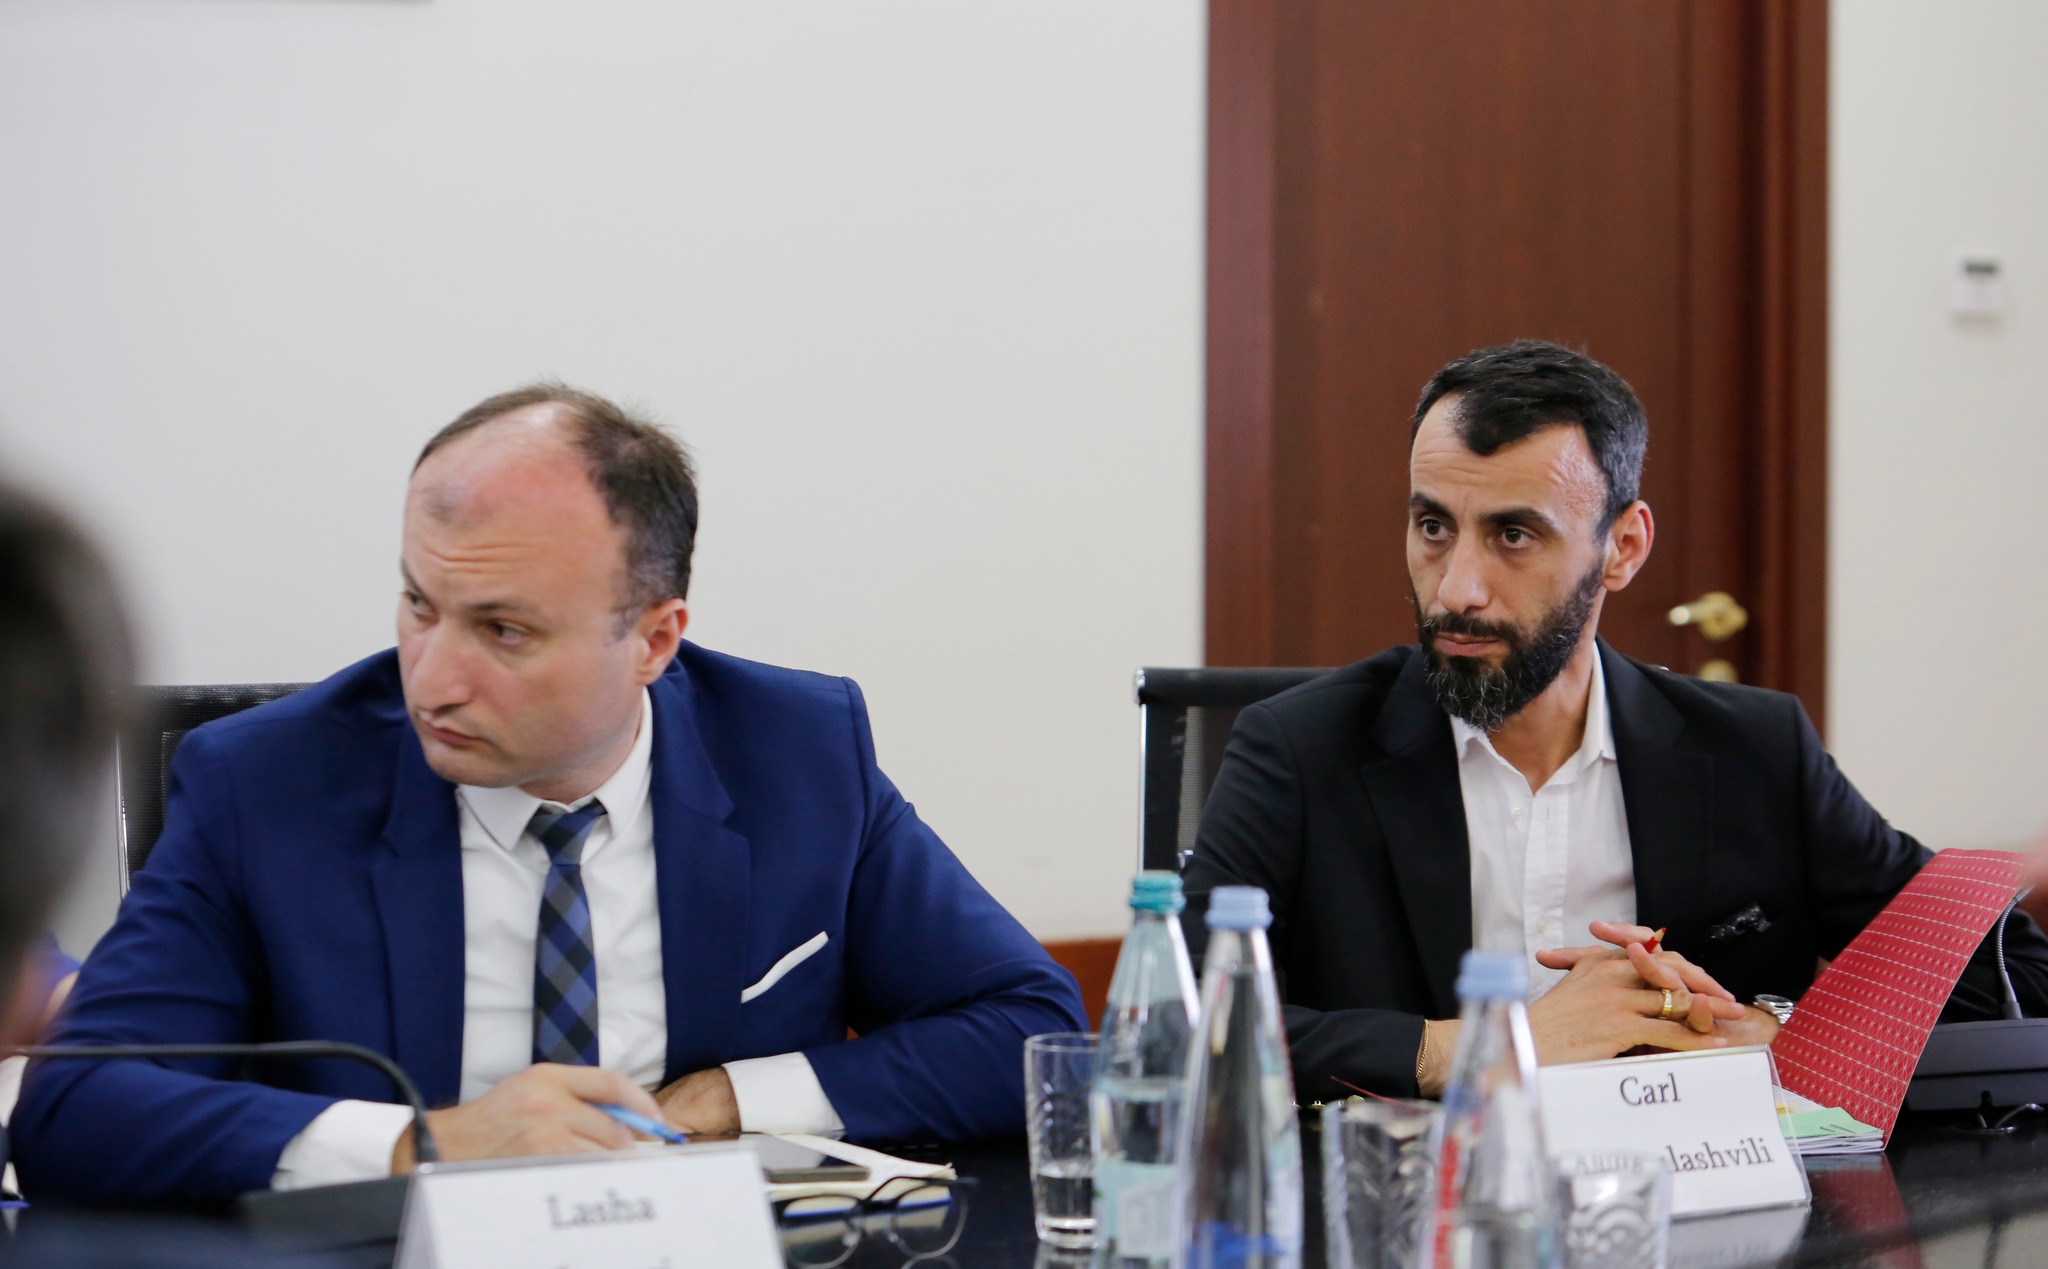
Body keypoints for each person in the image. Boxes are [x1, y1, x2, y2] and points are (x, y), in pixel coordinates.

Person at [13, 385, 1085, 1204]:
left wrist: (729, 1099)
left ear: (654, 639)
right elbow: (76, 1108)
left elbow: (1030, 1031)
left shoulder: (795, 753)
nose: (433, 679)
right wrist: (425, 1144)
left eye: (504, 629)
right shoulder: (264, 783)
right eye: (419, 604)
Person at [1181, 340, 2048, 1103]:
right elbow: (1181, 1021)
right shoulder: (1299, 748)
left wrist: (1774, 1033)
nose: (1456, 588)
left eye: (1514, 536)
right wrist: (1489, 1046)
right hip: (1414, 1204)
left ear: (1623, 548)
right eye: (1434, 526)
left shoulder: (1755, 749)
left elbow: (2016, 985)